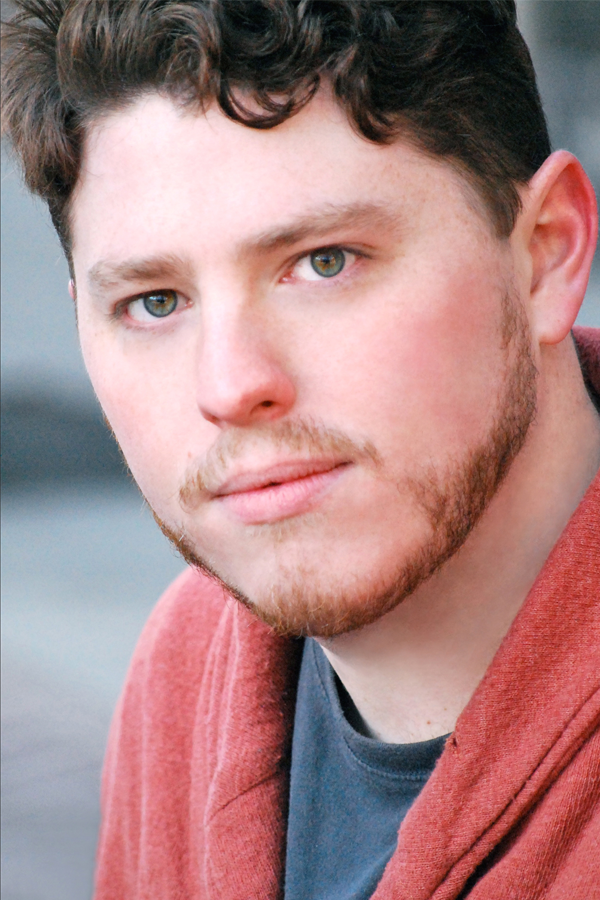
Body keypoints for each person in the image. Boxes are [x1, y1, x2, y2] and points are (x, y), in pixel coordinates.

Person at [2, 1, 599, 897]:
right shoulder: (186, 666)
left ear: (546, 254)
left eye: (325, 261)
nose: (230, 385)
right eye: (155, 303)